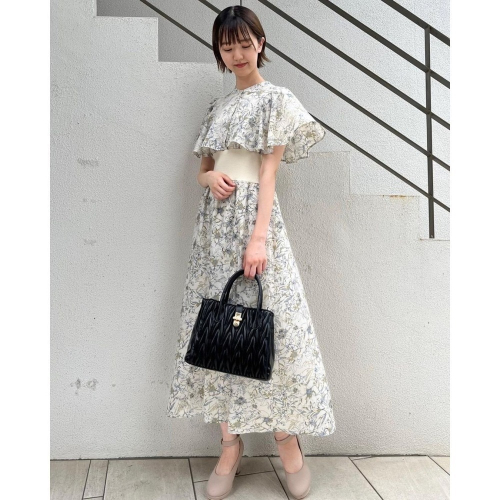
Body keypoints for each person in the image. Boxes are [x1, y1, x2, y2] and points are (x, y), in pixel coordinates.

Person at [165, 5, 336, 499]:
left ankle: (286, 440)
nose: (237, 53)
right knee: (217, 333)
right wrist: (209, 177)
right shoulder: (218, 108)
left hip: (255, 225)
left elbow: (267, 173)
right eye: (227, 46)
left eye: (245, 43)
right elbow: (204, 167)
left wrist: (258, 238)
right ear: (218, 51)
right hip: (213, 233)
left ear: (260, 43)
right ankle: (230, 444)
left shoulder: (276, 100)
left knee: (272, 328)